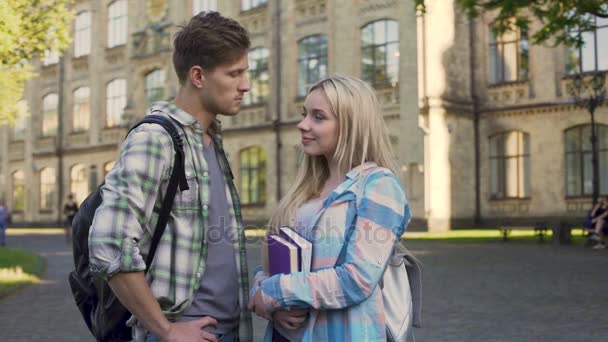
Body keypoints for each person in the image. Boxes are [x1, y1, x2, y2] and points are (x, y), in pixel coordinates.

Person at [88, 11, 253, 342]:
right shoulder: (156, 139)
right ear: (198, 76)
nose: (245, 85)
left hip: (228, 330)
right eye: (234, 74)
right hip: (181, 332)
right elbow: (108, 242)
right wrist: (165, 329)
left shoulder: (210, 140)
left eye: (245, 73)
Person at [248, 75, 412, 341]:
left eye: (318, 117)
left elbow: (357, 280)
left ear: (350, 125)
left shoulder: (379, 187)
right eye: (304, 114)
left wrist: (276, 291)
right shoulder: (303, 190)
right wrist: (264, 298)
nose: (303, 124)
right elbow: (268, 270)